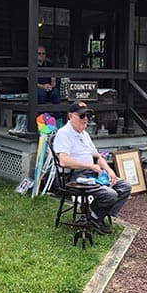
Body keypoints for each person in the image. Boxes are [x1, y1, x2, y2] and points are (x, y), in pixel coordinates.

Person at [52, 101, 131, 235]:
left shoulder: (85, 134)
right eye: (82, 116)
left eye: (88, 116)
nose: (86, 120)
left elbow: (98, 157)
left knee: (124, 186)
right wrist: (90, 166)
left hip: (91, 174)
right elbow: (64, 161)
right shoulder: (64, 133)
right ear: (71, 116)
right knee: (110, 194)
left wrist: (109, 171)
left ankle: (94, 217)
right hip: (73, 177)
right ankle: (95, 218)